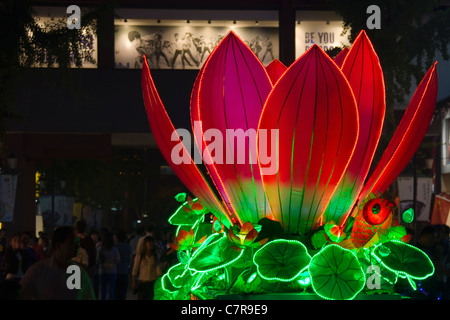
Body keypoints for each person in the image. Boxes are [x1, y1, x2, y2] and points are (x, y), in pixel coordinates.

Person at [20, 226, 96, 300]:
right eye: (72, 243)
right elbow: (20, 293)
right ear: (58, 245)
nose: (77, 246)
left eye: (78, 243)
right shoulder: (39, 270)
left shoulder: (79, 273)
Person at [132, 236, 163, 300]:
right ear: (145, 244)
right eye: (149, 242)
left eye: (152, 242)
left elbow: (158, 271)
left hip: (153, 282)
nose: (151, 244)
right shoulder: (140, 256)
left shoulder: (156, 256)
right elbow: (135, 270)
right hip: (142, 282)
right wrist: (134, 283)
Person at [97, 232, 120, 300]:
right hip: (112, 271)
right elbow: (118, 261)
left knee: (103, 291)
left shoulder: (100, 249)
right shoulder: (115, 249)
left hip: (102, 271)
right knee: (111, 291)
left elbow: (97, 261)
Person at [114, 230, 131, 300]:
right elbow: (129, 259)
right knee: (123, 293)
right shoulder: (127, 246)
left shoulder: (115, 247)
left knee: (116, 293)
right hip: (124, 271)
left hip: (115, 271)